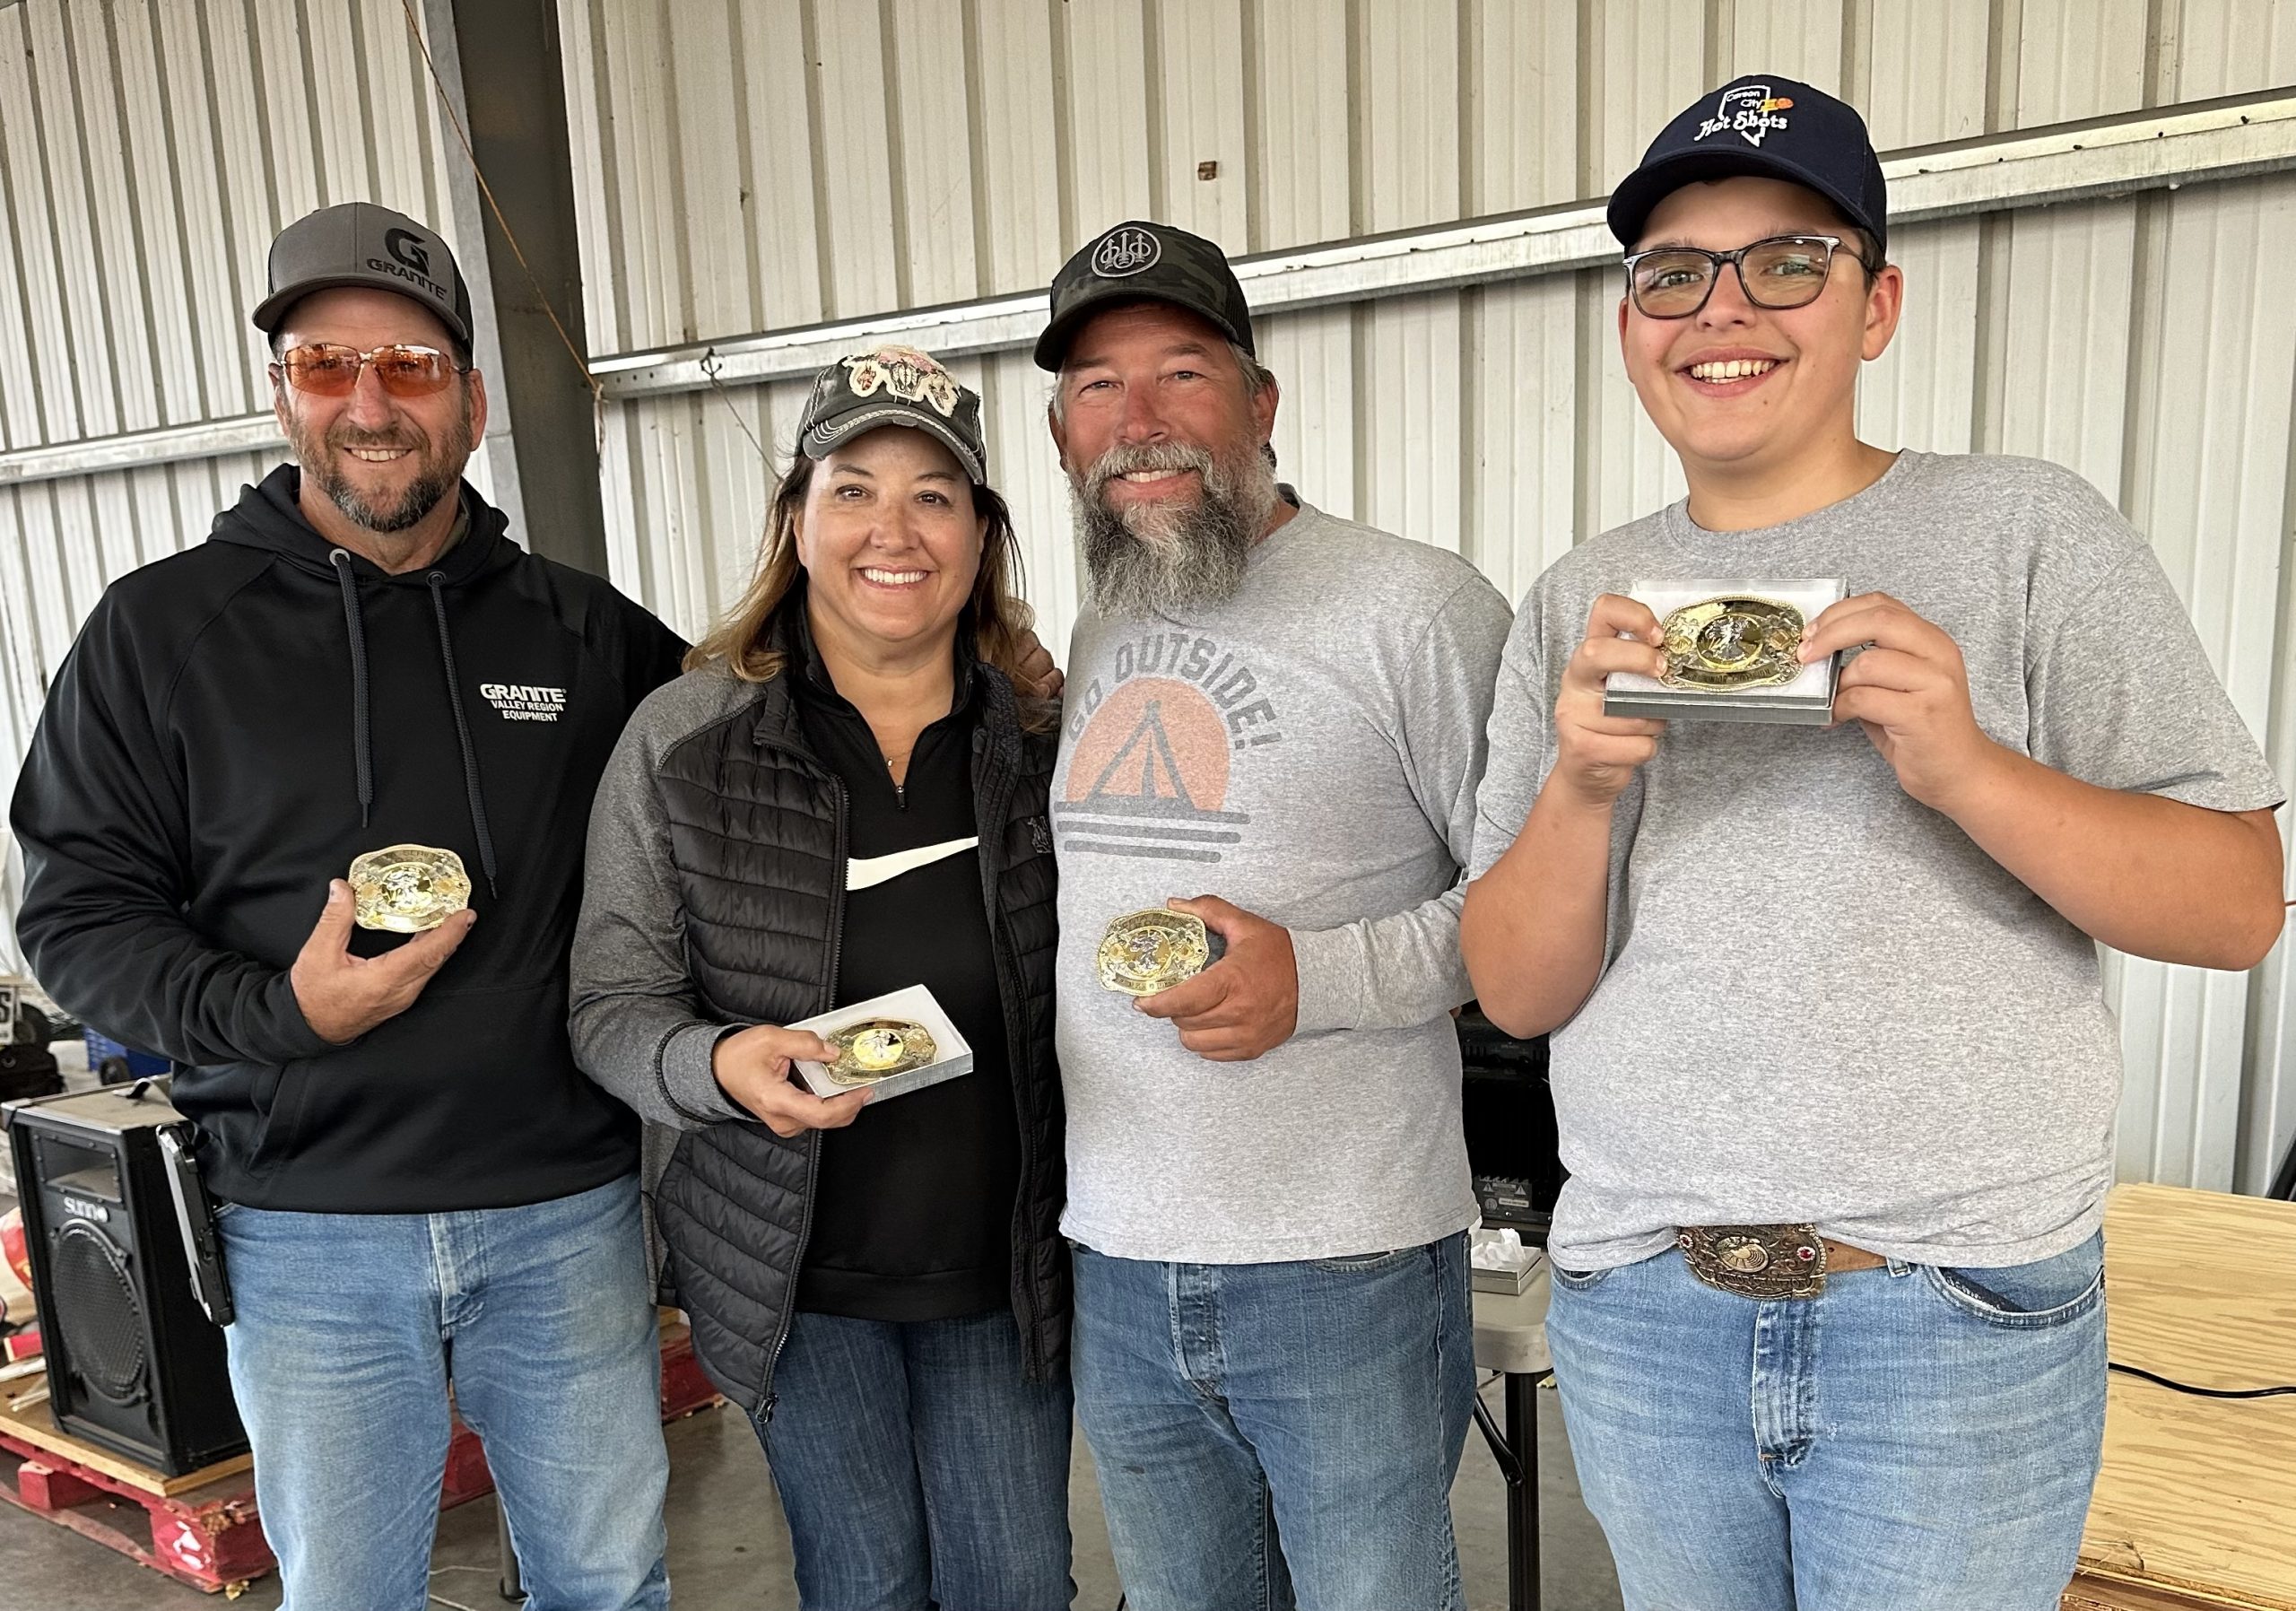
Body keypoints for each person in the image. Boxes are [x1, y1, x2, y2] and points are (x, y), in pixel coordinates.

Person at [1461, 75, 2286, 1611]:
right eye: (1674, 271)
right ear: (1631, 316)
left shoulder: (2026, 533)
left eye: (1789, 259)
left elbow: (2239, 906)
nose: (1726, 307)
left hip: (1949, 1310)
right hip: (1644, 1308)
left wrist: (1967, 766)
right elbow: (1513, 995)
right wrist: (1579, 790)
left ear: (1878, 303)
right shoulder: (1585, 601)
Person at [10, 203, 685, 1608]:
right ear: (282, 393)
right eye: (327, 364)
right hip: (303, 1226)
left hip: (565, 1210)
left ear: (474, 402)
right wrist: (279, 1011)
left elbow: (752, 752)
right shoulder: (157, 633)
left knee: (609, 1585)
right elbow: (76, 914)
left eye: (412, 365)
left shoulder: (581, 629)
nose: (370, 404)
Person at [1037, 220, 1514, 1611]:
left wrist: (1320, 976)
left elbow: (1541, 909)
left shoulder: (1418, 609)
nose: (1139, 422)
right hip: (1116, 1250)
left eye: (1181, 373)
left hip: (1343, 1254)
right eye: (1096, 387)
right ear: (1061, 430)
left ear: (1261, 402)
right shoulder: (1105, 622)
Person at [570, 344, 1073, 1611]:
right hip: (794, 1277)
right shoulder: (685, 739)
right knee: (862, 1585)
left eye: (933, 495)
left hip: (1002, 1273)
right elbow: (608, 1005)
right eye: (852, 489)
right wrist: (716, 1068)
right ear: (795, 521)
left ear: (980, 536)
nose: (890, 531)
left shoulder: (1046, 742)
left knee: (1017, 1584)